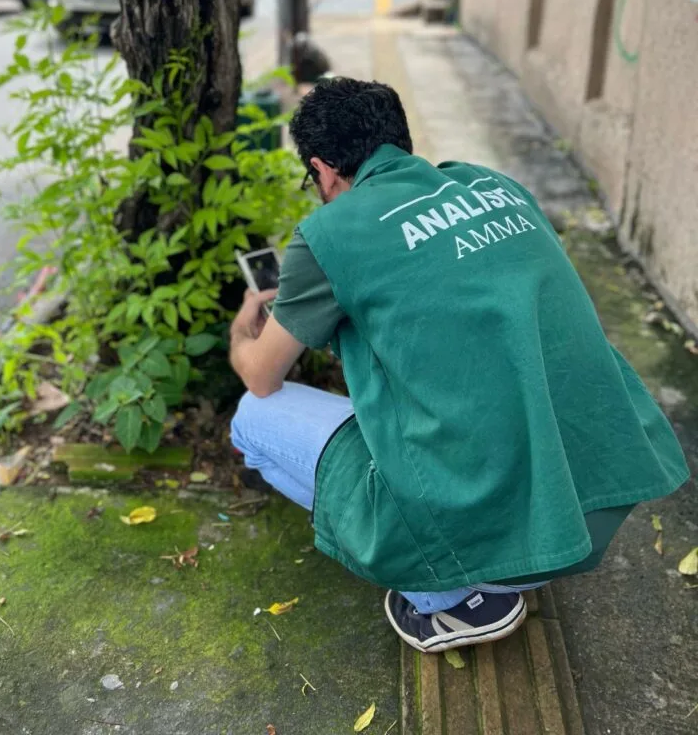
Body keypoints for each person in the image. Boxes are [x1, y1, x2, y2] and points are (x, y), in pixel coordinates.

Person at [229, 78, 689, 654]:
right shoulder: (494, 185)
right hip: (586, 511)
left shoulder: (328, 234)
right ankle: (507, 553)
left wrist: (241, 331)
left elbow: (262, 375)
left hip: (486, 543)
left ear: (323, 170)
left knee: (251, 419)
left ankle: (451, 600)